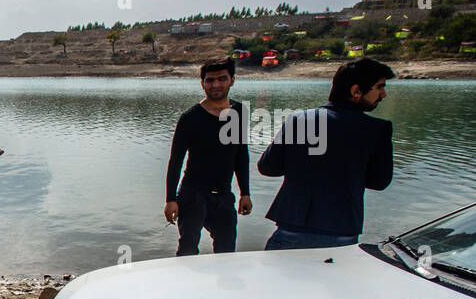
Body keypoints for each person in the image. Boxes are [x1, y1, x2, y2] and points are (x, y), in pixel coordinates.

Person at [258, 58, 395, 250]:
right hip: (340, 230)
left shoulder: (299, 120)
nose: (383, 94)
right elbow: (379, 182)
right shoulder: (377, 129)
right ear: (356, 90)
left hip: (292, 226)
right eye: (379, 87)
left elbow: (268, 168)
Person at [164, 59, 253, 255]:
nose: (216, 85)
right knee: (187, 250)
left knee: (226, 250)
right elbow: (176, 160)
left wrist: (245, 193)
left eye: (222, 79)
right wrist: (171, 199)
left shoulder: (239, 112)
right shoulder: (190, 118)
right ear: (202, 83)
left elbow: (241, 154)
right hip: (192, 195)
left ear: (232, 80)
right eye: (210, 80)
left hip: (223, 196)